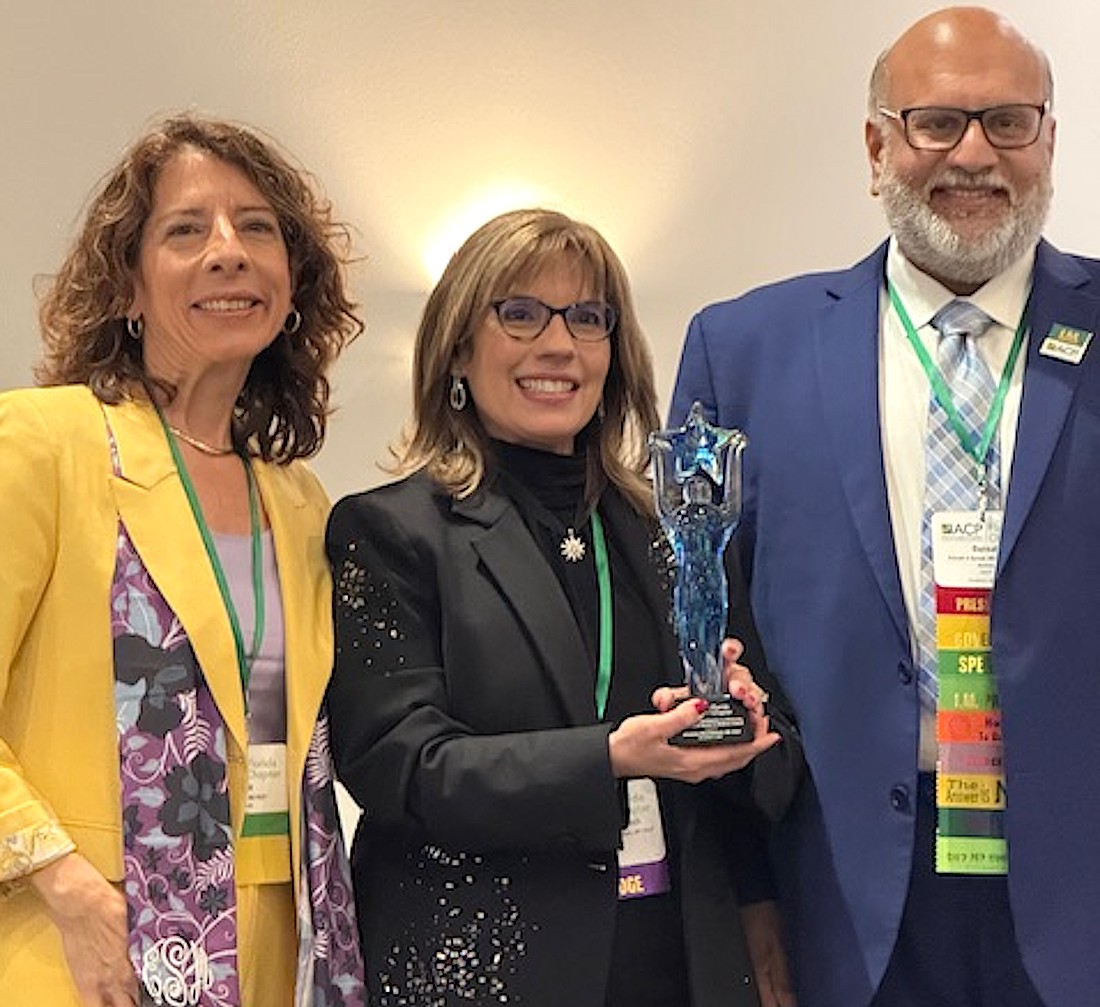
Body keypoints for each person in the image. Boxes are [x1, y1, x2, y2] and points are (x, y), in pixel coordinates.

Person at [670, 6, 1100, 1006]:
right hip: (844, 896)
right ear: (874, 145)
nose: (973, 154)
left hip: (1076, 891)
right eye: (935, 123)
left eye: (1007, 121)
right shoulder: (740, 352)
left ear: (1047, 139)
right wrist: (749, 901)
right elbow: (708, 637)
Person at [327, 208, 803, 1007]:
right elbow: (400, 764)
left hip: (676, 967)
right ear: (456, 347)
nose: (559, 344)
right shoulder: (391, 530)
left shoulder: (673, 533)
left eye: (588, 317)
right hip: (484, 969)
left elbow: (782, 769)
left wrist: (745, 731)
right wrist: (613, 754)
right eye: (519, 312)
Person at [0, 113, 366, 1006]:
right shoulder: (44, 444)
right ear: (127, 287)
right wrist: (67, 884)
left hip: (283, 947)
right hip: (89, 950)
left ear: (292, 287)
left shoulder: (300, 499)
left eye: (258, 227)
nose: (229, 250)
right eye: (186, 229)